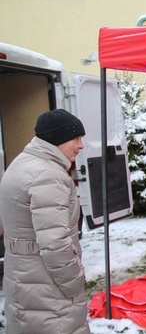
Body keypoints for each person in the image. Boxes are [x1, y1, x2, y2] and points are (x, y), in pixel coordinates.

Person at [0, 109, 91, 334]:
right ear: (57, 139)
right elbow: (55, 244)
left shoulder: (22, 163)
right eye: (76, 138)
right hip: (48, 289)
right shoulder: (48, 176)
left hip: (23, 278)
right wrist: (74, 285)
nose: (81, 146)